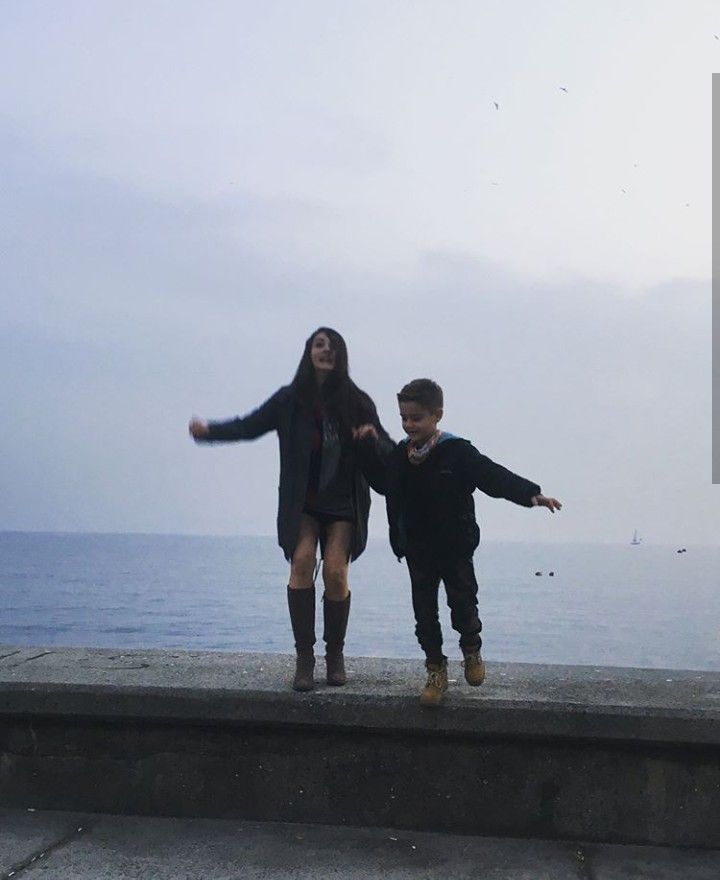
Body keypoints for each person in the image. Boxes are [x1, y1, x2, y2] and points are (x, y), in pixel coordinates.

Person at [189, 328, 392, 692]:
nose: (325, 351)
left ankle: (335, 656)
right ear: (309, 352)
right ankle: (304, 659)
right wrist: (209, 432)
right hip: (304, 503)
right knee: (301, 562)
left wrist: (373, 440)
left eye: (332, 347)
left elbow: (387, 444)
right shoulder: (290, 400)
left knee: (334, 572)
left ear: (341, 355)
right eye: (319, 345)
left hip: (345, 501)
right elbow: (249, 425)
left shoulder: (357, 400)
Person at [372, 378, 561, 707]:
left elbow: (492, 476)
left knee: (462, 605)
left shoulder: (457, 452)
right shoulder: (399, 457)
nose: (408, 424)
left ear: (437, 416)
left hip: (455, 548)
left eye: (416, 418)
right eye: (403, 417)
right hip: (418, 549)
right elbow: (387, 491)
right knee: (424, 614)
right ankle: (435, 671)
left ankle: (471, 649)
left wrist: (532, 494)